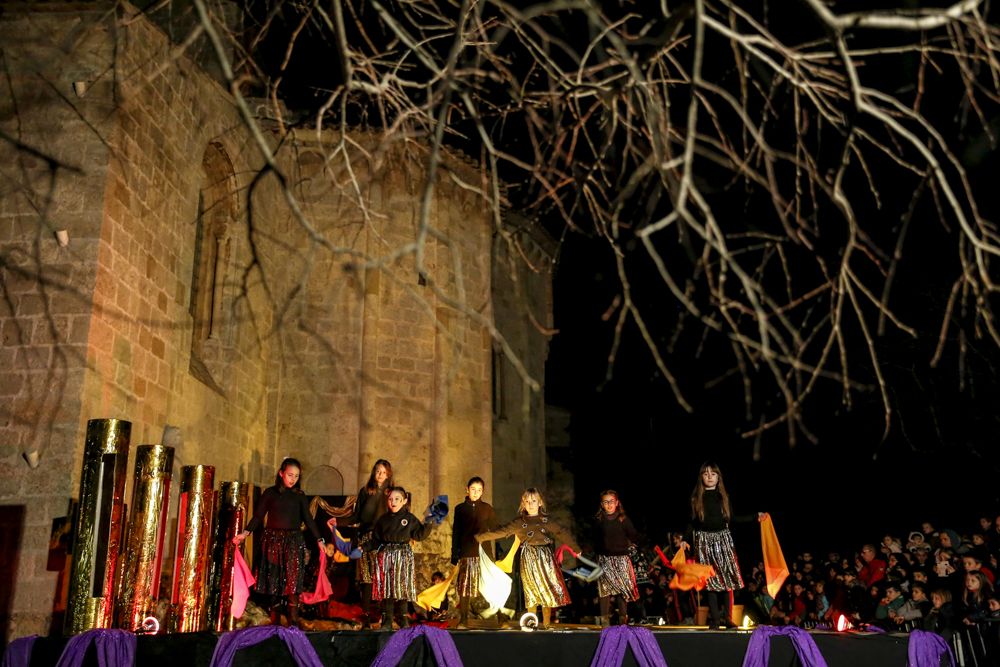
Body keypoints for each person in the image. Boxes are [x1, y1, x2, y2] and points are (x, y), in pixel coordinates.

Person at [233, 458, 334, 627]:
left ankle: (293, 623)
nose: (293, 479)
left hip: (294, 542)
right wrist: (245, 533)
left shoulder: (299, 496)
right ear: (281, 473)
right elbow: (258, 516)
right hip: (273, 542)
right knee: (275, 582)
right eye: (289, 475)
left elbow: (309, 519)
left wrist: (320, 540)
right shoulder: (270, 493)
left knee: (293, 583)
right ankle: (275, 623)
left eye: (296, 476)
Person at [475, 487, 580, 629]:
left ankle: (547, 623)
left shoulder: (546, 520)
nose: (531, 504)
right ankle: (532, 622)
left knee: (546, 589)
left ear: (540, 503)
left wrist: (575, 547)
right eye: (527, 501)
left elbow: (561, 532)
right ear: (523, 504)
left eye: (534, 501)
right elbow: (502, 531)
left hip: (545, 558)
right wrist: (481, 537)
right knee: (531, 590)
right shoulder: (519, 522)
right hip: (528, 558)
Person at [682, 462, 763, 629]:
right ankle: (715, 619)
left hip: (723, 541)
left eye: (713, 473)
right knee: (710, 582)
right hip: (704, 542)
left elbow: (733, 519)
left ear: (719, 477)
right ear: (701, 477)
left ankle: (727, 618)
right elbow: (692, 523)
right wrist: (685, 539)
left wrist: (755, 516)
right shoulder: (696, 498)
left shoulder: (723, 496)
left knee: (726, 581)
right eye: (706, 473)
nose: (710, 476)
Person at [371, 485, 436, 630]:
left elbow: (419, 535)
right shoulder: (383, 520)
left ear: (404, 501)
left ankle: (402, 617)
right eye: (390, 499)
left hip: (403, 555)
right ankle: (387, 620)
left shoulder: (409, 518)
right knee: (388, 588)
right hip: (387, 555)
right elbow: (375, 540)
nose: (393, 502)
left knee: (402, 587)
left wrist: (429, 521)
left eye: (397, 499)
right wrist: (362, 548)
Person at [344, 459, 392, 626]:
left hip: (384, 539)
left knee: (384, 576)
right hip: (366, 536)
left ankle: (385, 614)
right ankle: (365, 614)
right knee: (366, 576)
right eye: (378, 471)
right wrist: (339, 522)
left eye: (384, 472)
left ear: (388, 474)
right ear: (373, 472)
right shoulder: (365, 491)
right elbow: (357, 515)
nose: (380, 475)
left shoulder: (391, 492)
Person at [451, 476, 498, 628]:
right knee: (464, 586)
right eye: (473, 489)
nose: (476, 493)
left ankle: (501, 616)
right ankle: (464, 619)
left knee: (491, 585)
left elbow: (496, 529)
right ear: (467, 489)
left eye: (479, 490)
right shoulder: (460, 509)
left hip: (484, 553)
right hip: (466, 552)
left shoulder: (487, 508)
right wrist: (455, 554)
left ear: (482, 492)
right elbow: (456, 532)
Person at [592, 490, 639, 626]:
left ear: (617, 503)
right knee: (604, 591)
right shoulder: (599, 520)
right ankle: (604, 622)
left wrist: (630, 547)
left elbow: (633, 535)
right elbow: (595, 539)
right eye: (606, 502)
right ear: (602, 504)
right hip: (604, 560)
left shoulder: (623, 519)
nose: (609, 505)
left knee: (622, 591)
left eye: (611, 501)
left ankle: (623, 621)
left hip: (621, 559)